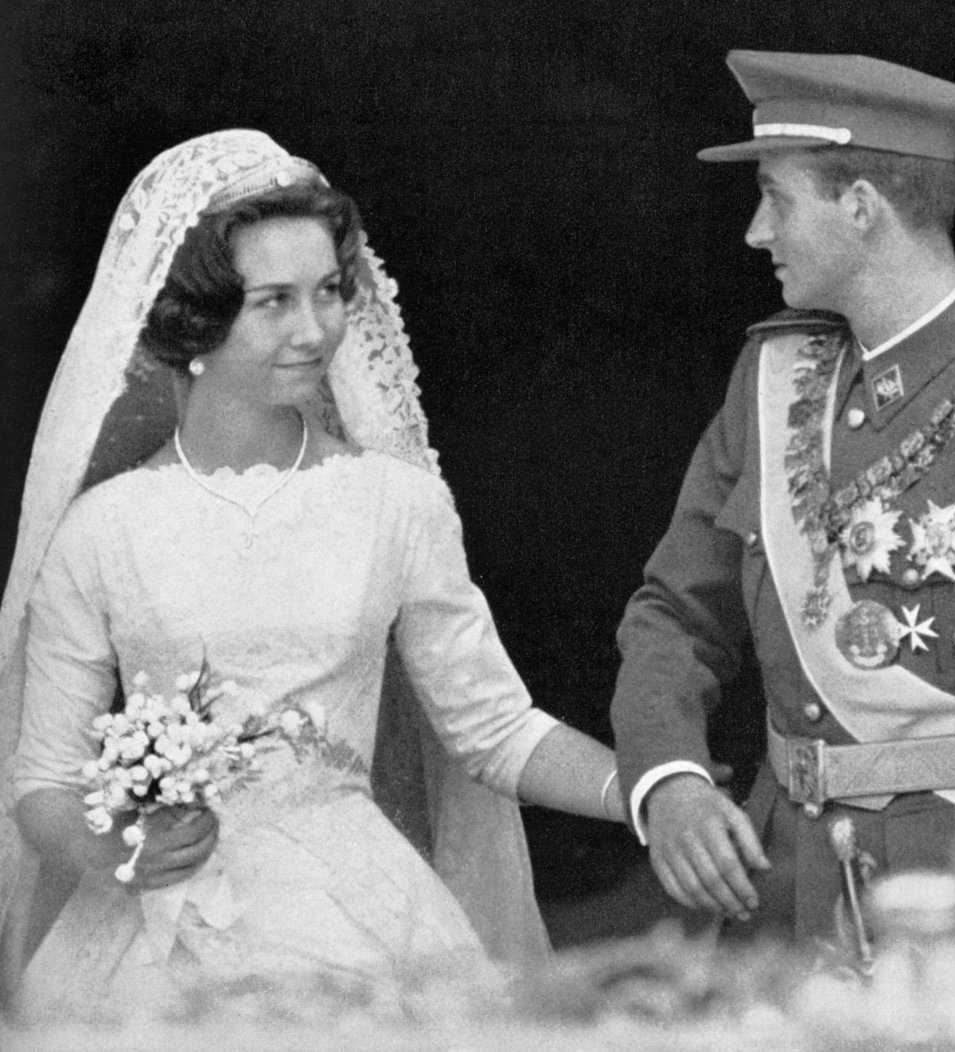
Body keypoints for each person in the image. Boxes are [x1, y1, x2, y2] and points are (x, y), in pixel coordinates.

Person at [0, 130, 624, 1022]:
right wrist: (120, 857)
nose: (316, 329)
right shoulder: (104, 531)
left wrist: (648, 793)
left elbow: (491, 729)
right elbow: (43, 785)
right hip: (151, 942)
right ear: (194, 326)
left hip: (362, 916)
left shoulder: (393, 503)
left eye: (330, 291)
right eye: (274, 302)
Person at [610, 51, 955, 956]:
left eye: (777, 198)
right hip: (778, 888)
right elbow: (675, 612)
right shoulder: (771, 375)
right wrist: (670, 778)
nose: (758, 232)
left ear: (862, 206)